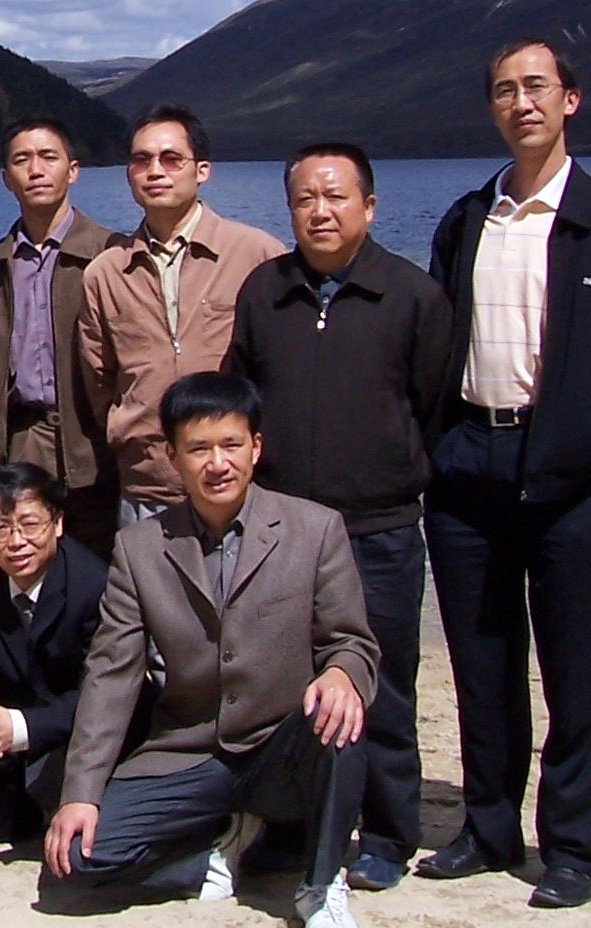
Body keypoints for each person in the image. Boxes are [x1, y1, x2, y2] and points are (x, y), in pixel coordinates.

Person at [414, 40, 591, 911]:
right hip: (468, 474)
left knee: (575, 676)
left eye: (536, 87)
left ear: (571, 100)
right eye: (504, 90)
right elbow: (434, 346)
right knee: (483, 666)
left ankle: (571, 848)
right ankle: (489, 828)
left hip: (570, 480)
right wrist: (440, 450)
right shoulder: (466, 220)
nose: (520, 102)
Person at [43, 373, 374, 928]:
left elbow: (352, 641)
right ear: (173, 457)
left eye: (231, 445)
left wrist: (343, 672)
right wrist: (80, 792)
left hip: (281, 747)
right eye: (198, 449)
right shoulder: (140, 548)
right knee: (74, 862)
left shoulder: (315, 529)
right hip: (190, 751)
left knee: (341, 713)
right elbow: (111, 675)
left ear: (255, 448)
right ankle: (218, 859)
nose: (217, 463)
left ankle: (320, 885)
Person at [224, 142, 455, 892]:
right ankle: (293, 826)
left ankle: (387, 832)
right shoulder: (265, 291)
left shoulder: (412, 296)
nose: (319, 212)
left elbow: (435, 410)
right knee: (287, 684)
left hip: (379, 529)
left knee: (383, 683)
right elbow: (241, 398)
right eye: (304, 199)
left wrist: (397, 473)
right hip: (283, 531)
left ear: (369, 206)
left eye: (335, 197)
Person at [78, 103, 285, 524]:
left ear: (202, 170)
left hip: (241, 485)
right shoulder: (106, 273)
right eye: (142, 160)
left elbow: (284, 363)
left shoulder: (256, 254)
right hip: (146, 487)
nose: (155, 171)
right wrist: (125, 428)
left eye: (171, 159)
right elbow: (99, 379)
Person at [0, 118, 124, 556]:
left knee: (96, 567)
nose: (35, 170)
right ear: (6, 178)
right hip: (22, 438)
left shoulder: (112, 253)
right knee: (27, 560)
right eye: (22, 160)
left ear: (72, 171)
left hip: (91, 439)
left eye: (48, 157)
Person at [0, 463, 106, 848]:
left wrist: (21, 727)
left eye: (30, 525)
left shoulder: (92, 583)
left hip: (66, 726)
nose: (16, 542)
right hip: (3, 723)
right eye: (0, 528)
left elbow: (100, 693)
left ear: (57, 524)